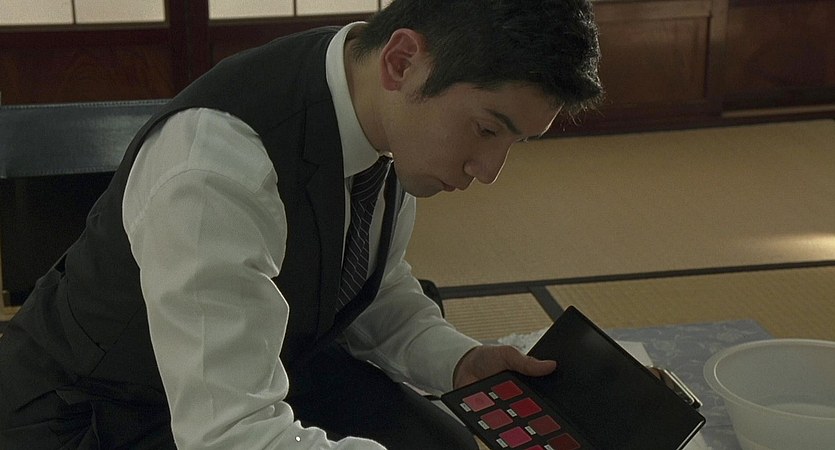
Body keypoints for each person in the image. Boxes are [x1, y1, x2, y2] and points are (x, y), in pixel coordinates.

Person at [0, 0, 603, 448]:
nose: (490, 171)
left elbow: (371, 287)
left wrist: (461, 362)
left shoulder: (375, 102)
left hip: (261, 359)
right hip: (95, 415)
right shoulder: (219, 167)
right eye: (487, 129)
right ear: (402, 61)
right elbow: (229, 435)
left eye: (514, 142)